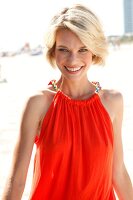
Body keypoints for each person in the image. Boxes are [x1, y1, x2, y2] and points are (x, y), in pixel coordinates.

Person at [2, 4, 133, 200]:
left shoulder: (113, 102)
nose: (73, 60)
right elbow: (17, 180)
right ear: (53, 51)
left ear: (94, 51)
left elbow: (118, 172)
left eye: (82, 49)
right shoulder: (38, 104)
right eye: (64, 49)